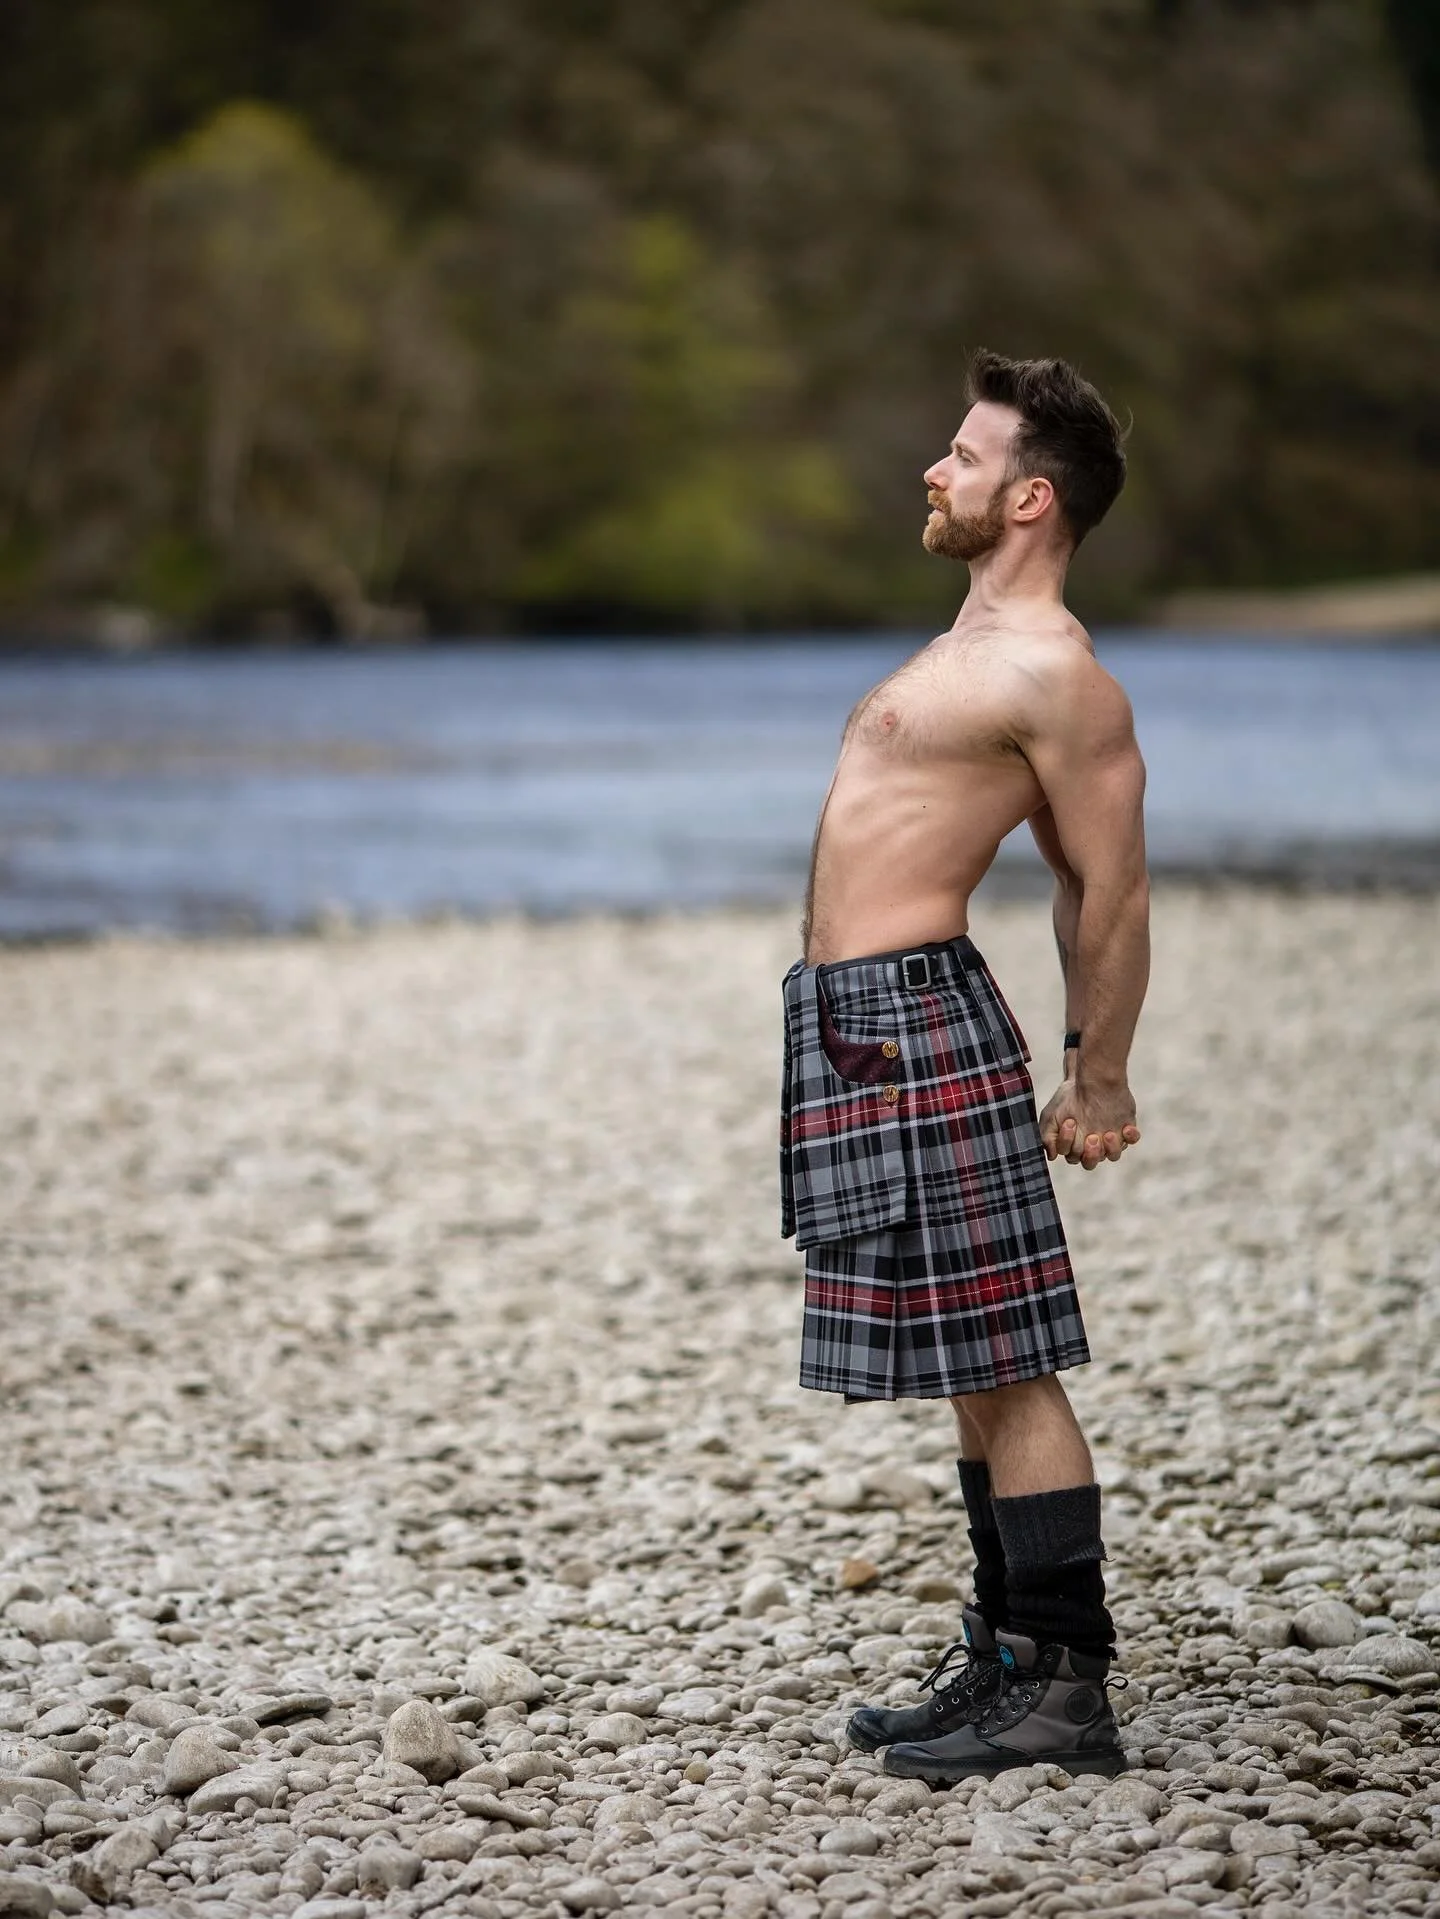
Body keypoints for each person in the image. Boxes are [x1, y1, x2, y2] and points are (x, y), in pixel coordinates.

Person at [778, 349, 1149, 1782]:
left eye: (965, 455)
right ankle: (1006, 1657)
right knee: (963, 1360)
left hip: (921, 1023)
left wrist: (1096, 1071)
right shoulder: (962, 643)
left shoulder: (1058, 675)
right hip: (853, 1023)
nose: (936, 470)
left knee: (1009, 1355)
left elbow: (1105, 889)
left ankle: (1068, 1685)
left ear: (1031, 496)